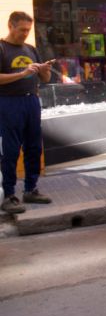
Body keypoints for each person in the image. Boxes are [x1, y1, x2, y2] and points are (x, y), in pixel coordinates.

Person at [0, 11, 53, 215]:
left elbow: (46, 79)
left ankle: (30, 189)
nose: (25, 33)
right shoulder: (2, 48)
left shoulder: (31, 49)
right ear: (10, 26)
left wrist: (44, 69)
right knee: (10, 151)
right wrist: (22, 73)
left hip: (31, 100)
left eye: (28, 30)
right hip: (8, 103)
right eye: (22, 29)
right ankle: (9, 195)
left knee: (34, 147)